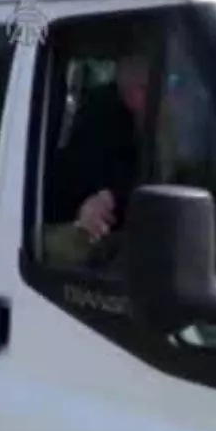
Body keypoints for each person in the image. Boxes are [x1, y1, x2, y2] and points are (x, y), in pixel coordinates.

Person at [44, 50, 150, 269]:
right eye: (138, 88)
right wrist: (88, 210)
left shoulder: (182, 124)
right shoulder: (100, 120)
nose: (142, 100)